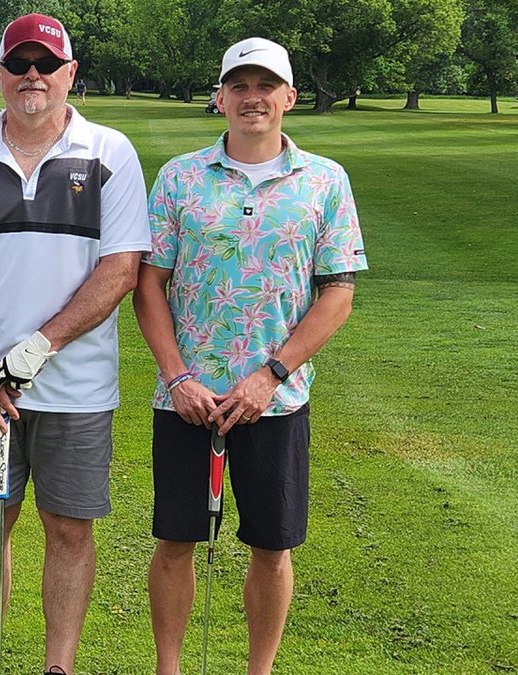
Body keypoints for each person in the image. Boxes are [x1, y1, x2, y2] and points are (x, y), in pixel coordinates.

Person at [0, 13, 151, 675]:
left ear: (71, 73)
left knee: (69, 527)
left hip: (77, 389)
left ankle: (58, 667)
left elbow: (120, 269)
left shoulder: (111, 153)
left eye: (47, 65)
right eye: (19, 64)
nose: (33, 77)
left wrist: (38, 348)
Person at [132, 37, 368, 675]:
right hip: (188, 397)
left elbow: (337, 293)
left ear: (289, 97)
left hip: (277, 401)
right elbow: (149, 283)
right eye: (239, 86)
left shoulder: (324, 181)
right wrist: (177, 375)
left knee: (272, 547)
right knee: (176, 541)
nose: (252, 98)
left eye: (266, 86)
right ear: (220, 98)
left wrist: (271, 375)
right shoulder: (180, 176)